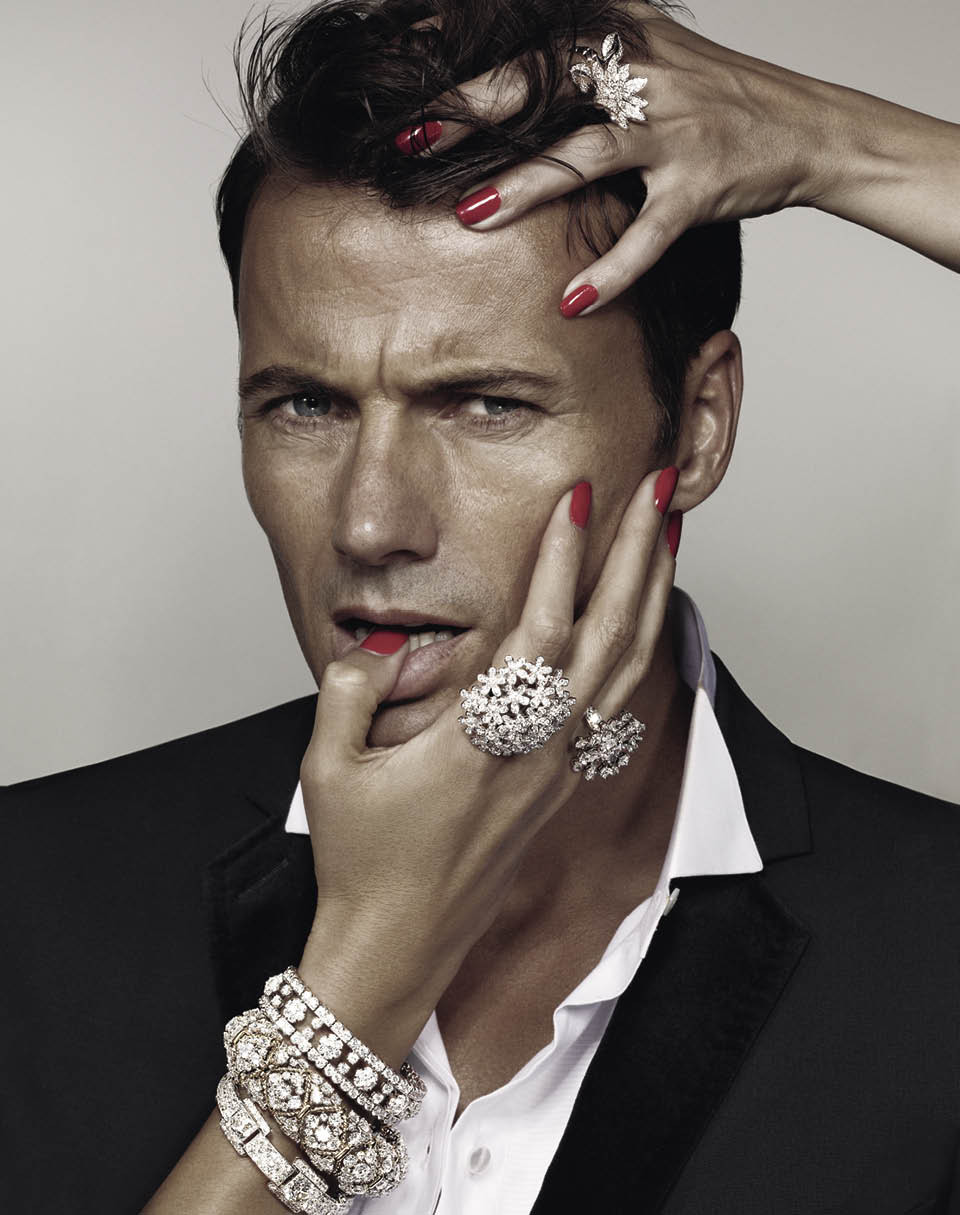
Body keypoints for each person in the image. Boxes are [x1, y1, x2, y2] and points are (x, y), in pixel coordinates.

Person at [2, 1, 958, 1211]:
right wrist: (358, 990)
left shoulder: (934, 950)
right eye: (307, 405)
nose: (369, 524)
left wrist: (841, 145)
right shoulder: (28, 900)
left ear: (701, 424)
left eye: (485, 405)